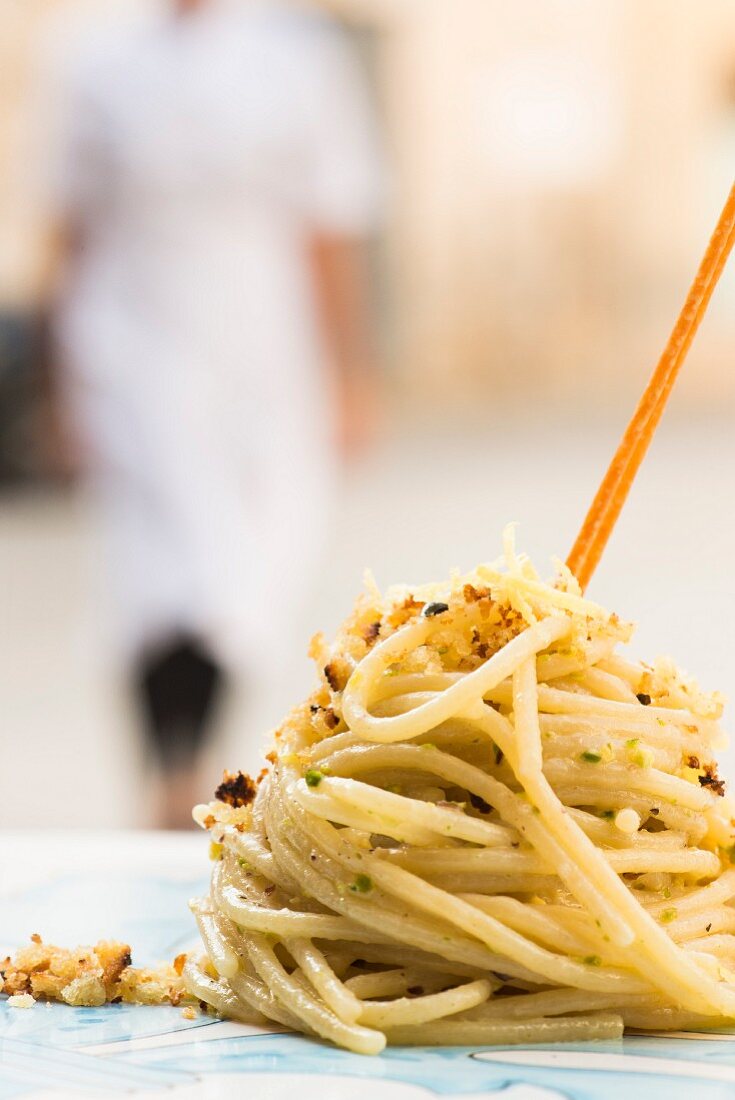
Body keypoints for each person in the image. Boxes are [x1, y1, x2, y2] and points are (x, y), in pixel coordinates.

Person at [38, 0, 383, 827]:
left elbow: (330, 224)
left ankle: (190, 759)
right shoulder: (95, 55)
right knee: (158, 570)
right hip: (133, 338)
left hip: (260, 337)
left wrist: (349, 368)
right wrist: (60, 385)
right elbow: (71, 225)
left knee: (251, 558)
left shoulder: (297, 53)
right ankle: (172, 767)